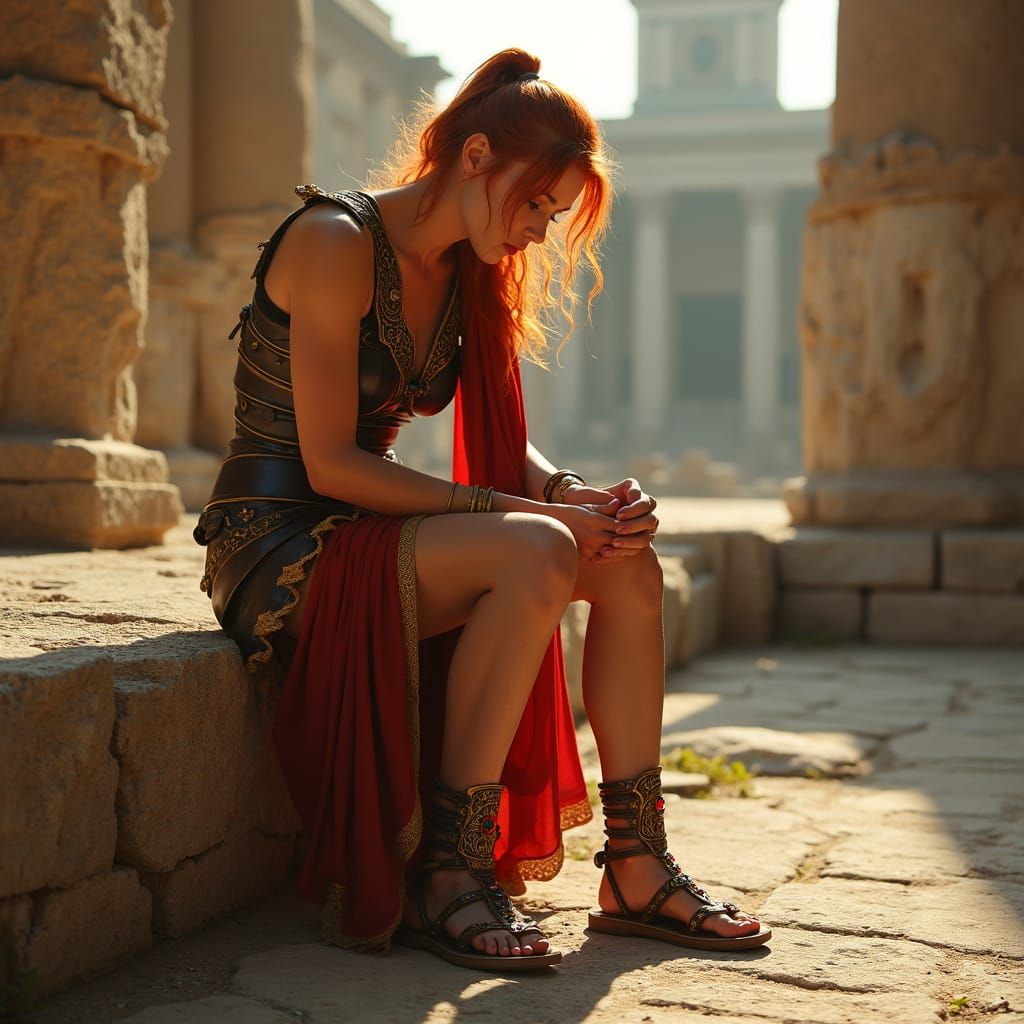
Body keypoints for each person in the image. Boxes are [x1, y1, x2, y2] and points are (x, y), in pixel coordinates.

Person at [194, 48, 770, 973]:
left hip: (377, 527)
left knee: (622, 559)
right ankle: (448, 874)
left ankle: (635, 861)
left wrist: (570, 495)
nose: (541, 230)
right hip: (281, 540)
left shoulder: (469, 270)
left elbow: (513, 451)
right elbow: (332, 463)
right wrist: (525, 515)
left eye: (554, 213)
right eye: (536, 202)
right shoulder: (334, 241)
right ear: (472, 158)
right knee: (536, 552)